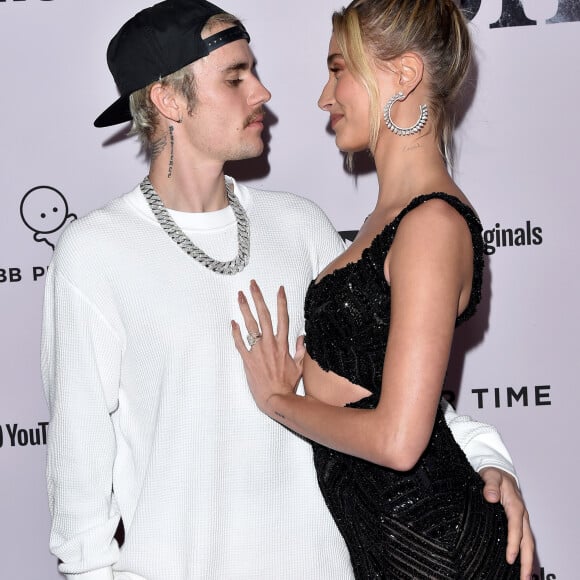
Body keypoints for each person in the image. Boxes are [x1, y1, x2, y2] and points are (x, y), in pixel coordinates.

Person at [41, 0, 531, 579]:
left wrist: (486, 459)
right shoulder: (95, 254)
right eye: (235, 77)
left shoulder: (300, 227)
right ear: (168, 100)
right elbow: (79, 486)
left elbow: (378, 383)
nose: (263, 93)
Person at [232, 0, 534, 578]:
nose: (325, 96)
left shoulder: (431, 226)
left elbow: (399, 439)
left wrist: (279, 401)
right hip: (392, 548)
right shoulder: (392, 219)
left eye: (339, 69)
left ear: (404, 75)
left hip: (433, 550)